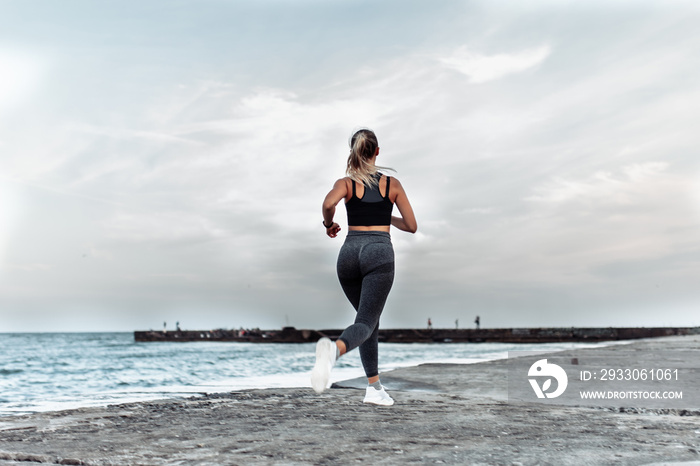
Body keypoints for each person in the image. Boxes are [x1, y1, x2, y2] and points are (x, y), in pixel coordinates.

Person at [311, 128, 417, 406]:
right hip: (379, 252)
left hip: (348, 253)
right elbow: (412, 226)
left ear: (353, 152)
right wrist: (386, 216)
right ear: (377, 152)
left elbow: (327, 204)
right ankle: (334, 351)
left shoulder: (346, 183)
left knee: (367, 321)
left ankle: (374, 388)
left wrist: (328, 224)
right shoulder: (391, 185)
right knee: (367, 322)